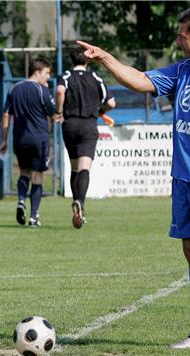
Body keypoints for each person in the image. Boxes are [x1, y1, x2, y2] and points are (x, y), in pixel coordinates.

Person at [77, 6, 190, 352]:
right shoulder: (185, 70)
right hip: (183, 178)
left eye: (182, 35)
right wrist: (106, 58)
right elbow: (141, 80)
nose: (177, 41)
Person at [56, 47, 116, 228]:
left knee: (74, 167)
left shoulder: (65, 76)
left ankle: (77, 205)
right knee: (84, 168)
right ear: (87, 61)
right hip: (88, 125)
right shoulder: (96, 78)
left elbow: (60, 91)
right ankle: (81, 202)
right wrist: (100, 111)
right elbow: (112, 103)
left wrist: (59, 112)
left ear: (72, 60)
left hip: (70, 124)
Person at [0, 58, 61, 227]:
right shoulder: (41, 90)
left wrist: (4, 139)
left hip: (20, 139)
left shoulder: (14, 89)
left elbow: (6, 115)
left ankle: (20, 200)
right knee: (37, 176)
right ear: (38, 72)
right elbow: (53, 113)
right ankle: (34, 217)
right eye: (47, 73)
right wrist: (58, 113)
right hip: (39, 138)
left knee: (24, 172)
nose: (48, 77)